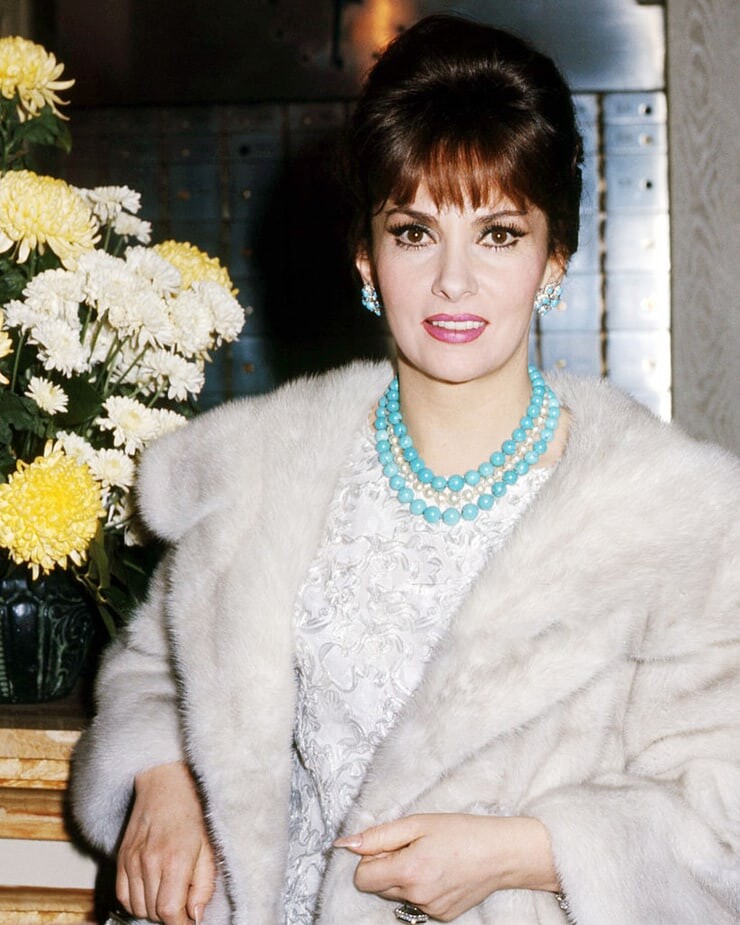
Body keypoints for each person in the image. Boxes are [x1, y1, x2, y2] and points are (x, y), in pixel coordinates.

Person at [71, 14, 740, 925]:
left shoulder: (672, 514)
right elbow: (155, 668)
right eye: (416, 231)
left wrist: (528, 850)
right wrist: (164, 776)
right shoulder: (264, 470)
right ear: (367, 256)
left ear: (554, 258)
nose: (454, 281)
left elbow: (724, 811)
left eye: (498, 234)